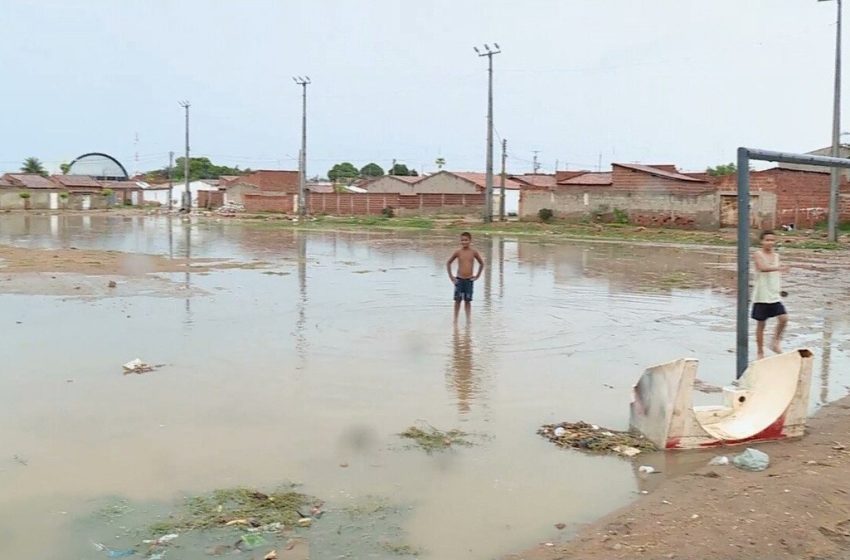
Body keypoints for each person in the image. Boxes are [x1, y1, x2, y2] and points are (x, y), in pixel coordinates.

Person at [751, 229, 789, 360]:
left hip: (774, 295)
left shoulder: (776, 256)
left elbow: (775, 275)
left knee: (784, 318)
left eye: (772, 240)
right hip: (762, 295)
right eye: (767, 240)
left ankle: (775, 342)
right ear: (761, 241)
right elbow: (762, 268)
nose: (770, 243)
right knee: (761, 324)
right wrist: (779, 268)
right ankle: (760, 351)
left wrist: (780, 289)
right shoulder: (758, 254)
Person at [446, 232, 484, 322]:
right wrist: (451, 277)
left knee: (467, 301)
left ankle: (468, 320)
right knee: (457, 301)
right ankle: (455, 320)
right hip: (459, 280)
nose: (464, 242)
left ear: (470, 241)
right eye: (462, 240)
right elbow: (448, 263)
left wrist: (477, 276)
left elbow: (482, 263)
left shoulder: (474, 252)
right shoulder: (458, 252)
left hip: (469, 280)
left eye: (466, 240)